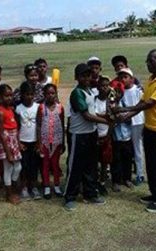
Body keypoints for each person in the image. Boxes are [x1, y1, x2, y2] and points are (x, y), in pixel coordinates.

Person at [113, 49, 156, 213]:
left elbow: (149, 104)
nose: (148, 63)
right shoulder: (150, 80)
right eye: (147, 60)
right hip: (149, 127)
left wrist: (125, 110)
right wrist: (125, 115)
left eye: (152, 61)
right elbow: (142, 101)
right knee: (152, 164)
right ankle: (154, 194)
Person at [64, 63, 110, 211]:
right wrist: (106, 121)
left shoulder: (90, 91)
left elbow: (93, 112)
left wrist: (106, 116)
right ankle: (69, 196)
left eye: (88, 75)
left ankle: (90, 194)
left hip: (91, 134)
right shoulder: (77, 93)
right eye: (83, 75)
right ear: (76, 77)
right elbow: (86, 116)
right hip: (79, 136)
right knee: (75, 167)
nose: (86, 78)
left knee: (91, 166)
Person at [0, 84, 22, 205]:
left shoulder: (11, 109)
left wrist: (18, 143)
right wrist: (8, 152)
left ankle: (13, 187)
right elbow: (2, 132)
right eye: (6, 96)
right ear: (0, 97)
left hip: (14, 140)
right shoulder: (1, 112)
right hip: (6, 142)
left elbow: (15, 128)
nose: (9, 98)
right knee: (8, 169)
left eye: (10, 95)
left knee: (18, 167)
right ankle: (9, 194)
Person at [37, 84, 65, 199]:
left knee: (55, 164)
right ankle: (47, 186)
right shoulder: (41, 108)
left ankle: (57, 185)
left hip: (57, 141)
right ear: (44, 94)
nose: (50, 95)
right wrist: (39, 142)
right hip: (44, 141)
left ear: (56, 94)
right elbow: (38, 125)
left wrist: (63, 142)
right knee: (45, 164)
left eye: (53, 93)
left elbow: (62, 124)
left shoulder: (60, 107)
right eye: (48, 93)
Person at [118, 68, 145, 186]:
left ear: (132, 79)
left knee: (138, 148)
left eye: (126, 77)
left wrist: (128, 115)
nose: (123, 79)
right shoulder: (121, 92)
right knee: (133, 149)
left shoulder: (137, 90)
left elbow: (142, 105)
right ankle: (137, 173)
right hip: (127, 123)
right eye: (121, 77)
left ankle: (140, 174)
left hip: (138, 122)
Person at [15, 81, 41, 200]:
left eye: (31, 94)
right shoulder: (18, 109)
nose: (29, 97)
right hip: (23, 142)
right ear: (22, 95)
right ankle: (24, 188)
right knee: (23, 166)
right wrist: (18, 142)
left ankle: (34, 187)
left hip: (34, 142)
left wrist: (39, 142)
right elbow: (16, 127)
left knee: (34, 165)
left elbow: (39, 125)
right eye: (27, 94)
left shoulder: (37, 107)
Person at [110, 84, 134, 192]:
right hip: (116, 137)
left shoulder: (126, 104)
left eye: (120, 92)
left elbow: (130, 119)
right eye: (116, 92)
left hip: (127, 137)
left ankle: (127, 178)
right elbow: (110, 119)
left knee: (127, 158)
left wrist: (124, 117)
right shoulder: (111, 105)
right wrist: (116, 117)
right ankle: (116, 181)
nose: (118, 95)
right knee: (116, 159)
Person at [95, 77, 113, 196]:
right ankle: (94, 182)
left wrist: (107, 136)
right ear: (97, 87)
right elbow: (92, 115)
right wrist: (105, 116)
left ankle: (102, 183)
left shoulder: (110, 101)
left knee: (104, 161)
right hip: (95, 135)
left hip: (106, 135)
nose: (104, 88)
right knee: (93, 161)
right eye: (102, 86)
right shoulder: (94, 100)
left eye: (106, 86)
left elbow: (112, 119)